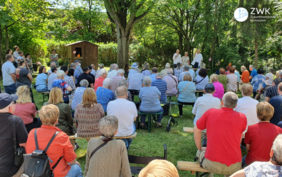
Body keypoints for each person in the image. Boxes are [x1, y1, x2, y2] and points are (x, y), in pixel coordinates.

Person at [194, 92, 247, 176]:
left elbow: (197, 129)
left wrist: (200, 147)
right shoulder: (242, 117)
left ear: (222, 102)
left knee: (199, 152)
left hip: (211, 164)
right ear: (236, 105)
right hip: (234, 165)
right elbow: (240, 138)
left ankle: (209, 175)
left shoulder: (210, 112)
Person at [25, 104, 83, 177]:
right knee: (77, 168)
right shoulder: (61, 136)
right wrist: (75, 162)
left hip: (36, 172)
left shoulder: (32, 133)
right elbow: (71, 159)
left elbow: (29, 152)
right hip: (56, 174)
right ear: (56, 120)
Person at [241, 102, 282, 167]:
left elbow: (248, 149)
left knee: (243, 161)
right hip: (270, 163)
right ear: (272, 114)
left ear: (257, 115)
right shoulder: (279, 130)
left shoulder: (250, 128)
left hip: (252, 162)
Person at [0, 93, 28, 177]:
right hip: (10, 169)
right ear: (10, 107)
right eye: (14, 102)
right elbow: (24, 144)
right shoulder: (16, 121)